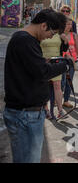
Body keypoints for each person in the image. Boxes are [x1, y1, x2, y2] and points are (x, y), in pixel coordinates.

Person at [3, 9, 74, 163]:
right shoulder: (25, 40)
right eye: (52, 32)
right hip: (25, 115)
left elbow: (32, 68)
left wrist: (46, 62)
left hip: (26, 114)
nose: (51, 36)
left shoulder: (26, 40)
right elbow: (42, 72)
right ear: (44, 26)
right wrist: (65, 65)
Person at [40, 24, 70, 120]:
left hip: (56, 62)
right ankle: (46, 110)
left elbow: (64, 49)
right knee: (44, 87)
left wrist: (65, 40)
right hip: (43, 62)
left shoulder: (58, 32)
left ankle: (60, 111)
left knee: (57, 86)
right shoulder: (42, 31)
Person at [62, 18, 78, 109]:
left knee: (69, 81)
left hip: (72, 61)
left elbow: (77, 48)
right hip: (62, 61)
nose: (70, 26)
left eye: (71, 24)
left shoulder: (73, 35)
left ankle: (66, 101)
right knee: (61, 82)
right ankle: (56, 99)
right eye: (67, 24)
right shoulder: (60, 35)